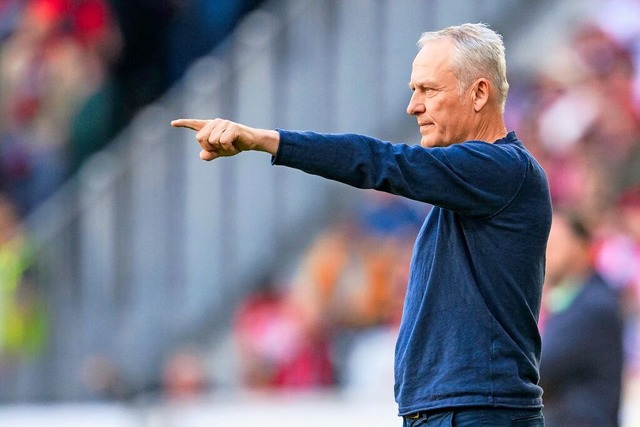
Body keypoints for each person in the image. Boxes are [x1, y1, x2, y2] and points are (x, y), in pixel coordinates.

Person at [172, 23, 552, 426]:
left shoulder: (504, 170)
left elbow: (381, 161)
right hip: (455, 410)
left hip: (479, 412)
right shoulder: (475, 183)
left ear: (478, 93)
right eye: (413, 89)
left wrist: (265, 140)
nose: (413, 105)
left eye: (428, 90)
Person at [540, 211, 624, 427]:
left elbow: (539, 367)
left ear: (582, 246)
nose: (546, 252)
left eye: (555, 243)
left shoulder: (594, 305)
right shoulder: (565, 298)